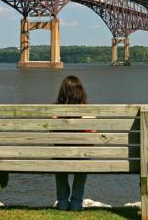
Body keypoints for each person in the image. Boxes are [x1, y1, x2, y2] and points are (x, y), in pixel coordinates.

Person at [54, 75, 89, 211]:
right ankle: (76, 202)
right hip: (81, 157)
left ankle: (62, 201)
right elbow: (91, 133)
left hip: (60, 157)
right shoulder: (87, 111)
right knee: (85, 157)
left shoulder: (54, 112)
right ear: (80, 91)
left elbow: (52, 134)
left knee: (58, 157)